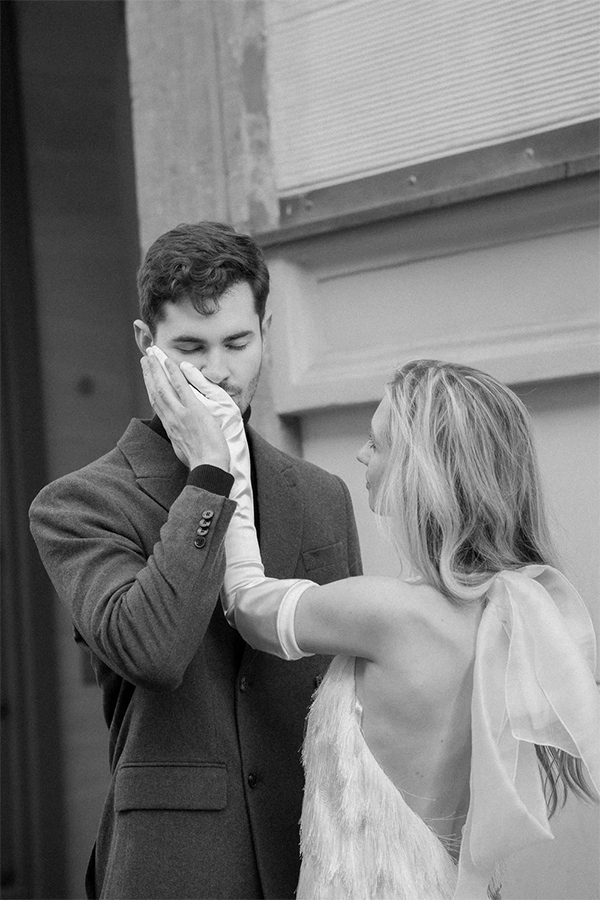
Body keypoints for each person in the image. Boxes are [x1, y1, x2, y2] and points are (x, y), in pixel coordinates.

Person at [180, 357, 599, 900]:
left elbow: (246, 603)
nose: (362, 454)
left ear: (420, 470)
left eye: (377, 443)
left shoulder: (389, 614)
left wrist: (224, 450)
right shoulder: (514, 615)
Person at [29, 221, 362, 900]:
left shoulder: (323, 496)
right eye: (190, 348)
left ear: (265, 330)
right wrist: (210, 472)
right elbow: (153, 649)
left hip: (315, 852)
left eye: (238, 343)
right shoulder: (78, 504)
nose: (217, 371)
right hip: (174, 866)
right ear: (145, 347)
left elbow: (348, 682)